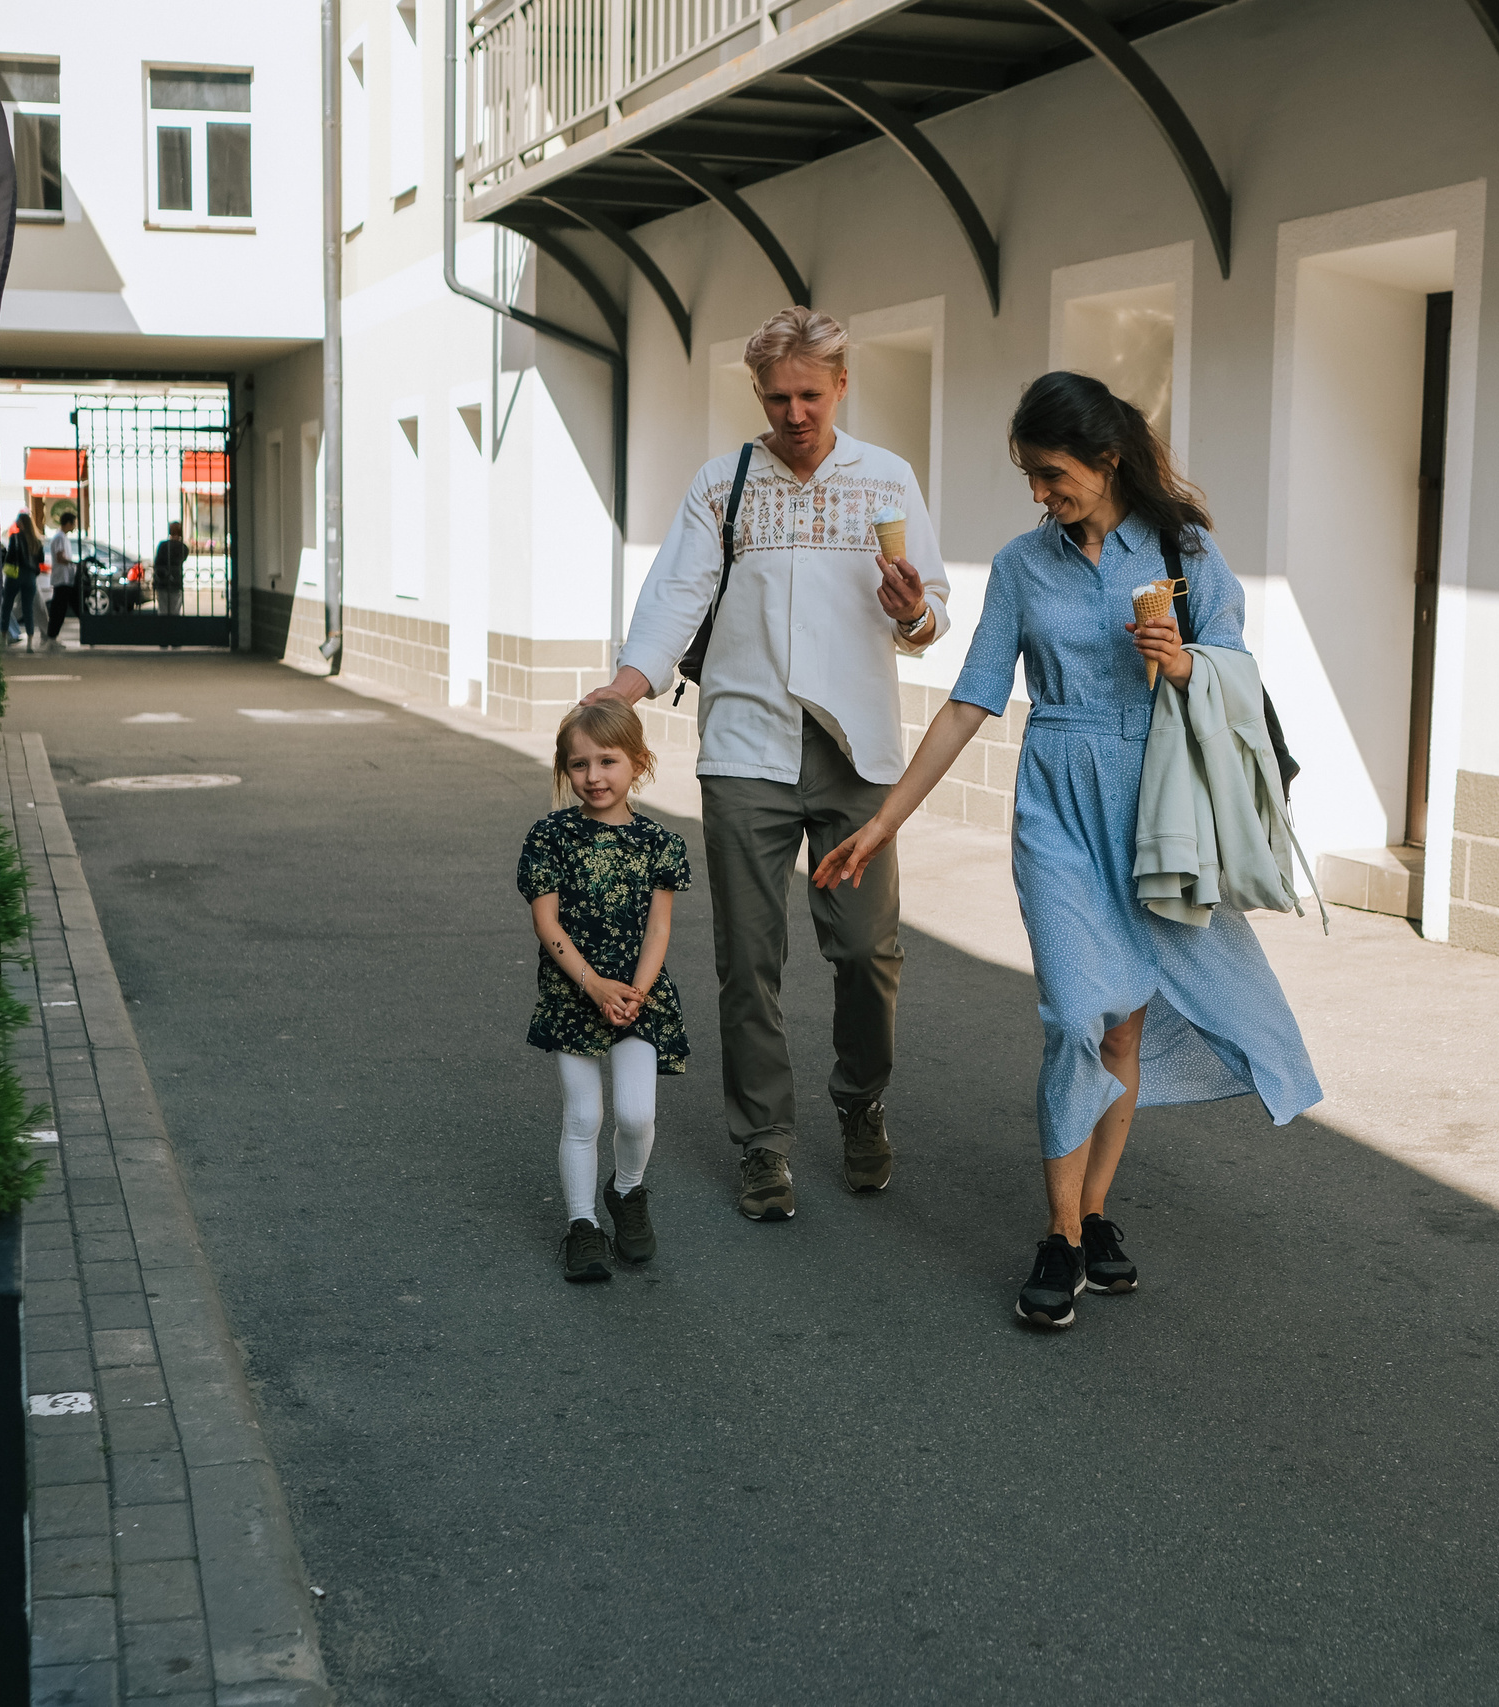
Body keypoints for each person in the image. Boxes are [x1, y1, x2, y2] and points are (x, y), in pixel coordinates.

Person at [813, 372, 1322, 1331]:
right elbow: (970, 699)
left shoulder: (1184, 551)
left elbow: (1237, 673)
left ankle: (1091, 1215)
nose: (1042, 495)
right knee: (1075, 1011)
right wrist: (884, 821)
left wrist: (1183, 663)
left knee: (1123, 1027)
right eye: (1032, 479)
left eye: (1054, 475)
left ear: (1107, 458)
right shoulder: (1020, 564)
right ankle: (1056, 1232)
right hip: (1056, 801)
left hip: (1157, 807)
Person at [582, 307, 949, 1223]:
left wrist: (913, 611)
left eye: (811, 395)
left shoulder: (887, 478)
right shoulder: (724, 483)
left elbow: (932, 614)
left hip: (857, 750)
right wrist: (624, 689)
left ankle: (860, 1099)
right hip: (746, 746)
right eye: (778, 396)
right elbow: (676, 595)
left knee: (866, 950)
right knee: (750, 960)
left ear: (842, 385)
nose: (795, 414)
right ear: (757, 391)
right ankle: (763, 1144)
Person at [518, 700, 693, 1283]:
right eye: (579, 764)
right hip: (575, 994)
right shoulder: (551, 836)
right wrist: (593, 986)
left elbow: (658, 929)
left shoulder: (659, 843)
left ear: (639, 762)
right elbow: (546, 922)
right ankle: (583, 1225)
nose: (593, 776)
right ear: (564, 769)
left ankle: (627, 1190)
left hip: (639, 997)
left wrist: (636, 994)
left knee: (636, 1114)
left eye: (608, 761)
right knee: (584, 1115)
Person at [0, 512, 43, 645]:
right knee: (27, 608)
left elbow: (11, 556)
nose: (16, 522)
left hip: (15, 575)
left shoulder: (15, 537)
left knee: (7, 606)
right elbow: (40, 560)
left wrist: (5, 566)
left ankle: (4, 637)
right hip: (30, 576)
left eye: (18, 520)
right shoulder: (36, 540)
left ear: (22, 523)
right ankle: (30, 641)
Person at [43, 508, 82, 644]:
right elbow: (60, 558)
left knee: (64, 608)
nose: (75, 526)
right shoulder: (59, 538)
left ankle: (53, 636)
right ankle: (52, 637)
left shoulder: (61, 537)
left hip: (65, 579)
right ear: (68, 523)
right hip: (62, 579)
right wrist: (73, 562)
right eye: (74, 523)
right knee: (59, 609)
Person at [152, 521, 188, 637]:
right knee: (175, 611)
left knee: (163, 611)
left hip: (162, 582)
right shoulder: (183, 548)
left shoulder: (162, 546)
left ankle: (164, 637)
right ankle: (174, 636)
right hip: (176, 582)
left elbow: (157, 563)